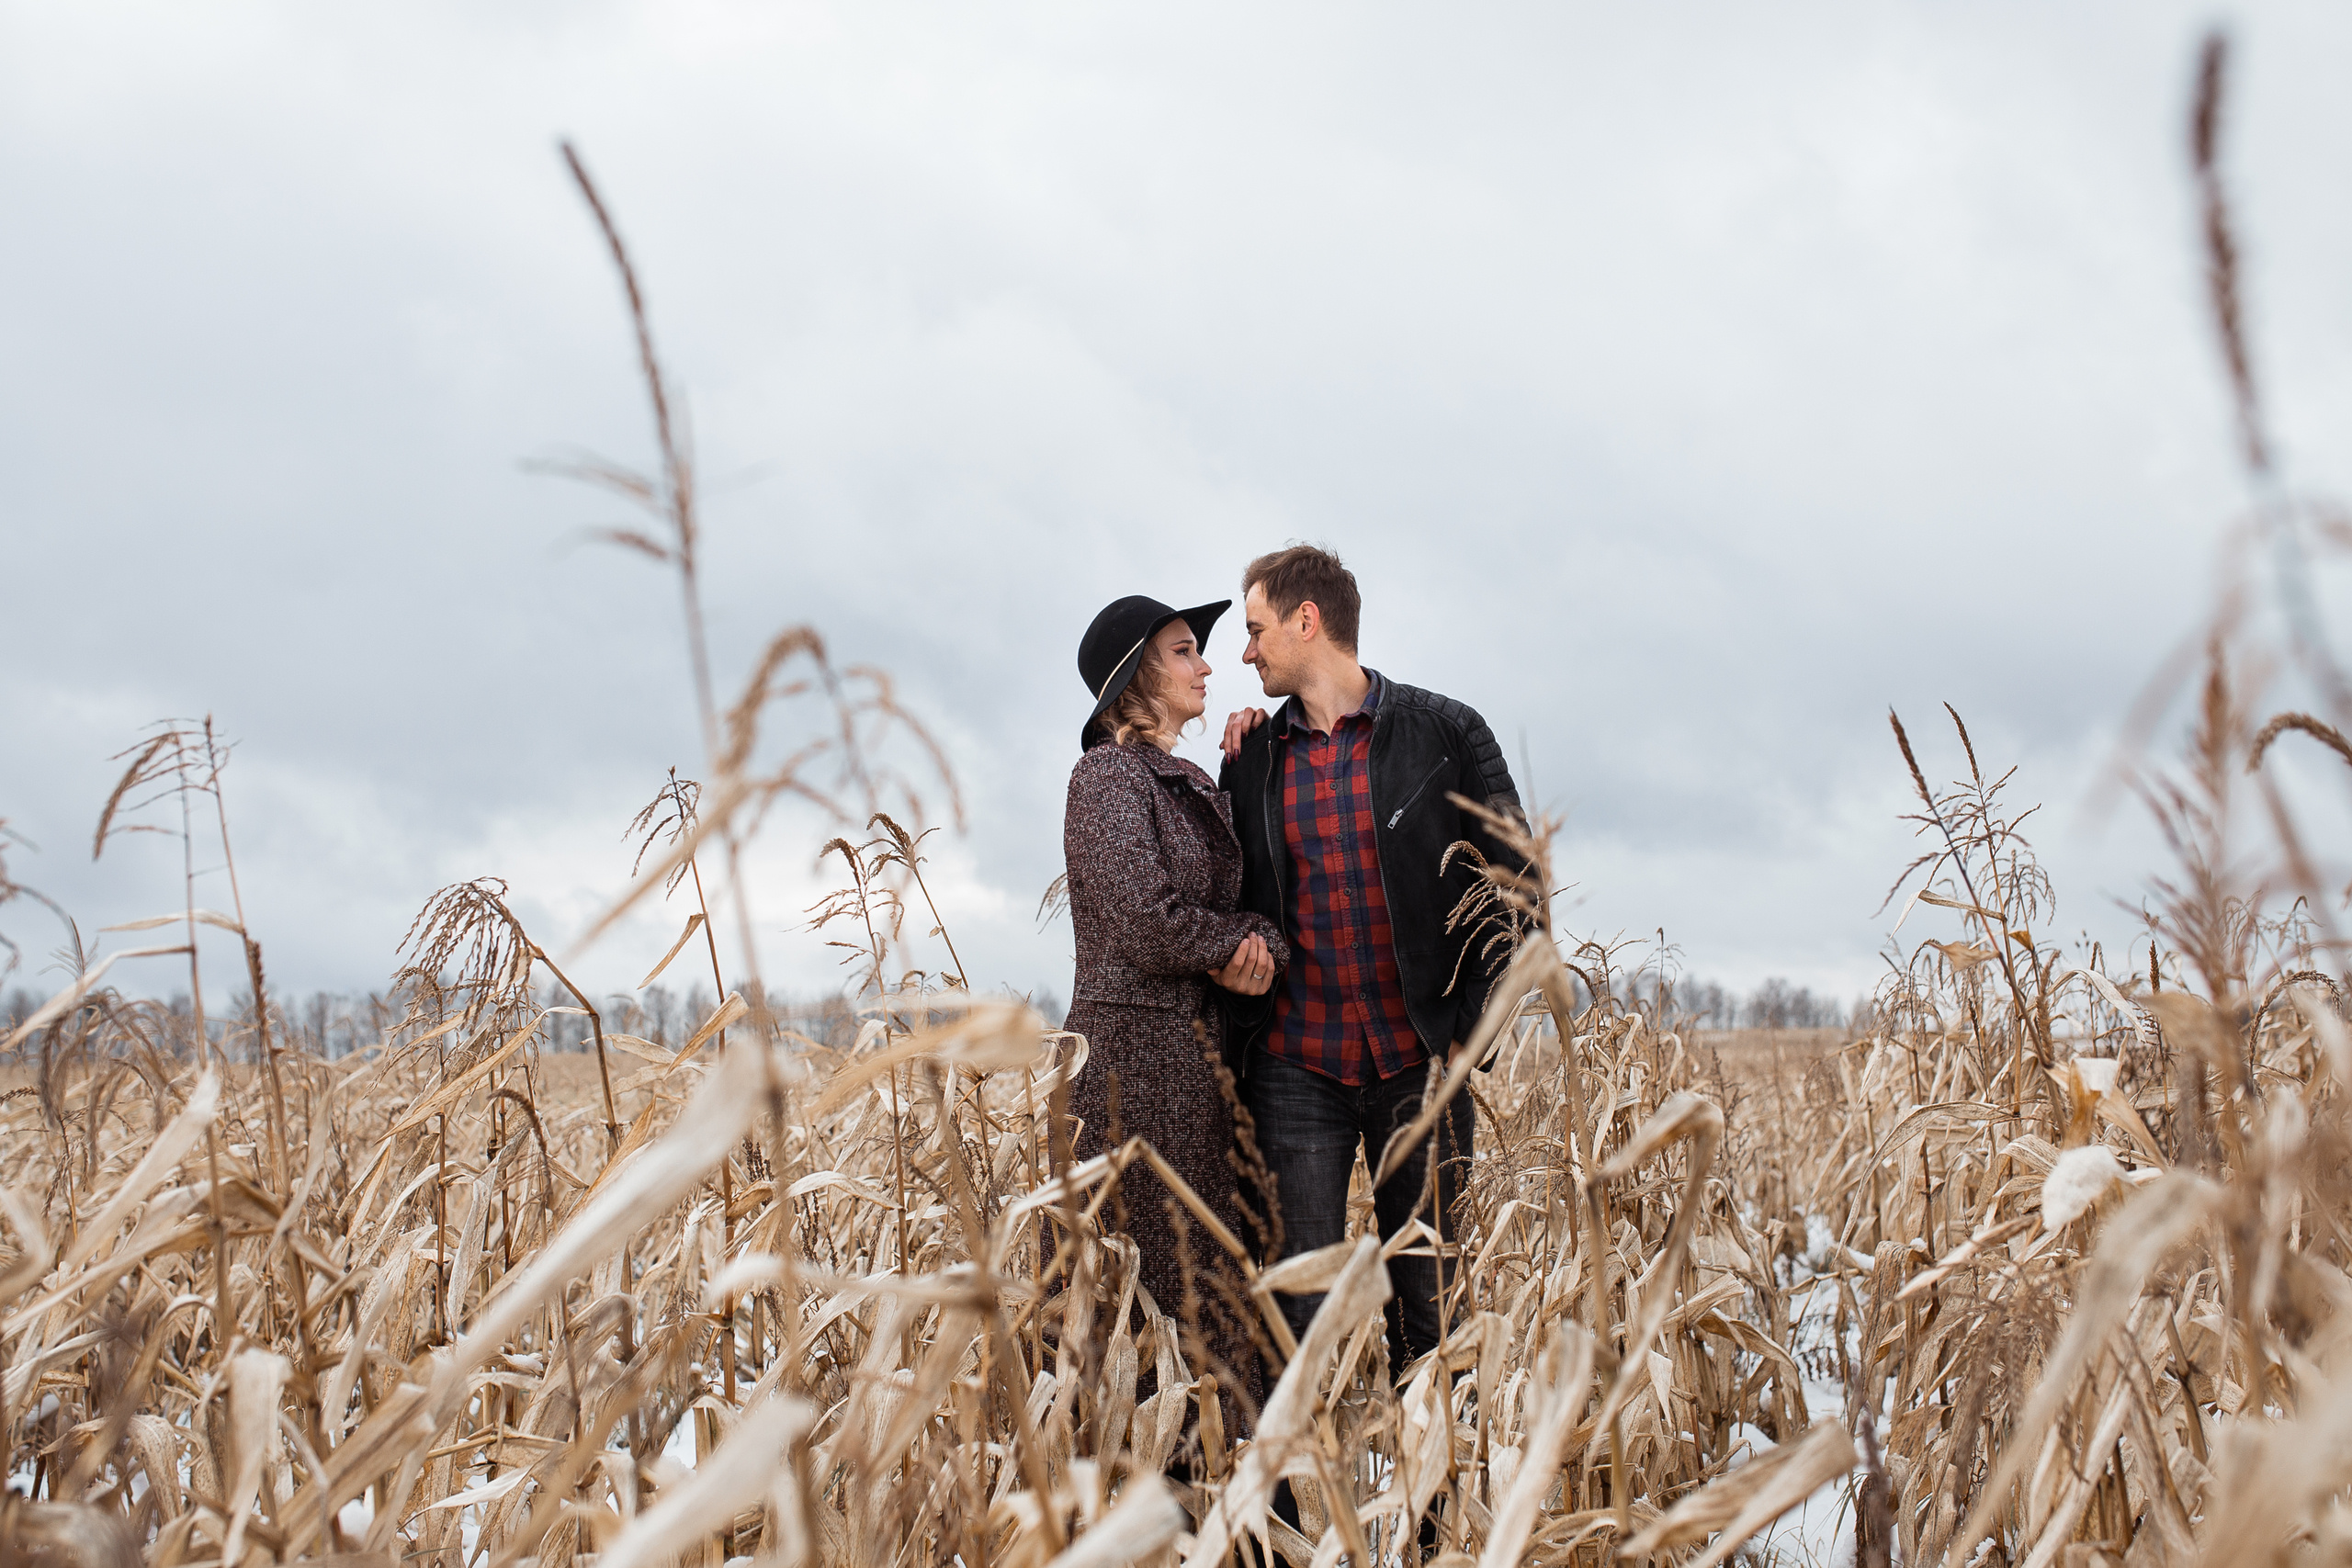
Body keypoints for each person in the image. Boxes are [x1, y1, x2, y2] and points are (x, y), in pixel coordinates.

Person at [1216, 544, 1528, 1381]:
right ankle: (1285, 1513)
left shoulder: (1447, 731)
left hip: (1419, 1066)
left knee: (1432, 1314)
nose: (1245, 653)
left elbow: (1520, 888)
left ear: (1306, 620)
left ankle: (1439, 1513)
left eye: (1255, 629)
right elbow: (1229, 894)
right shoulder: (1250, 758)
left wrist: (1475, 1033)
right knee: (1295, 1318)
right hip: (1293, 1073)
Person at [1061, 592, 1286, 1432]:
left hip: (1196, 1070)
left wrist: (1253, 759)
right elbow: (1143, 916)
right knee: (1145, 1303)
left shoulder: (1186, 778)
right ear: (1137, 676)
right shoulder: (1105, 776)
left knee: (1205, 1296)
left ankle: (1220, 1509)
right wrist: (1238, 949)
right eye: (1187, 650)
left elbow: (1242, 896)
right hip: (1129, 1079)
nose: (1207, 665)